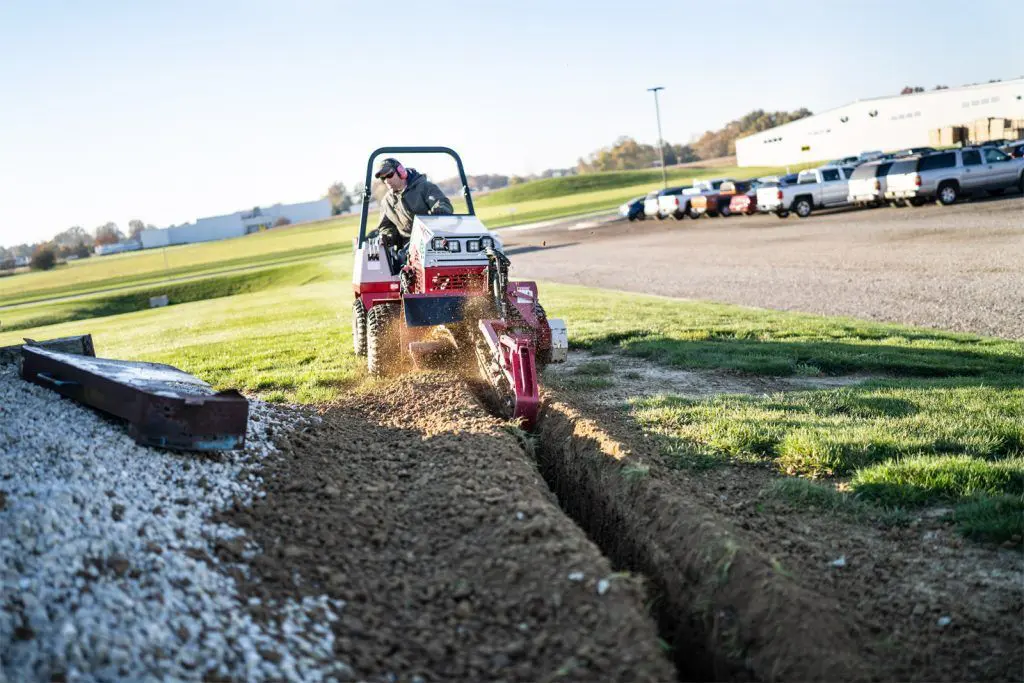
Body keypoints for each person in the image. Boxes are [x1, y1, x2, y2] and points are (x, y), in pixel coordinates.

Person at [372, 157, 454, 250]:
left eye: (390, 175)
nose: (387, 180)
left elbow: (442, 204)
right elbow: (386, 227)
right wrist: (387, 237)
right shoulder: (387, 201)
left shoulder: (424, 187)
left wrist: (433, 217)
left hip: (433, 241)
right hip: (408, 247)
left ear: (401, 172)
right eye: (383, 178)